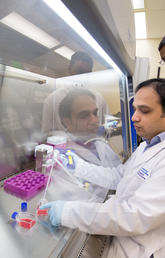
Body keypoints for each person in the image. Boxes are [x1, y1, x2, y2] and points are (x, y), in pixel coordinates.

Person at [41, 78, 165, 258]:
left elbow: (133, 216)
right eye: (135, 109)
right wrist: (78, 166)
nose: (133, 117)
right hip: (123, 238)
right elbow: (118, 176)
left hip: (140, 250)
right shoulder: (149, 144)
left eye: (144, 111)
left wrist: (66, 211)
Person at [42, 51, 109, 134]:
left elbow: (108, 126)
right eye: (79, 71)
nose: (81, 76)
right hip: (65, 146)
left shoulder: (99, 97)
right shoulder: (52, 99)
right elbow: (46, 133)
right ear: (70, 69)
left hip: (94, 144)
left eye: (86, 73)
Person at [58, 87, 121, 167]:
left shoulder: (101, 145)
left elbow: (119, 173)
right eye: (84, 116)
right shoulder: (63, 154)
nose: (94, 121)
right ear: (67, 122)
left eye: (95, 113)